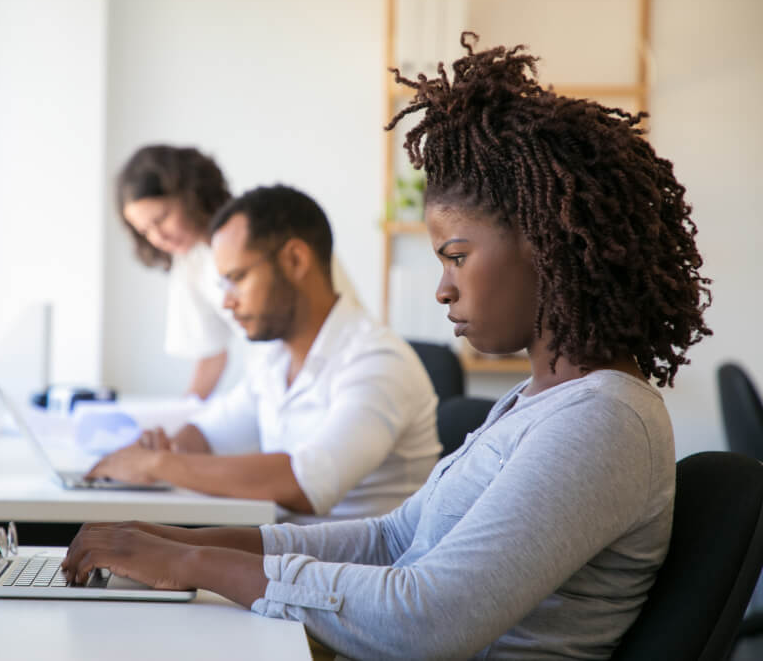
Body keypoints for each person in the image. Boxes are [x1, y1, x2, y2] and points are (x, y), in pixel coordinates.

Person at [62, 33, 713, 660]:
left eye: (456, 257)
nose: (442, 289)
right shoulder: (538, 400)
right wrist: (172, 540)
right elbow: (393, 537)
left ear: (548, 245)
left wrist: (194, 562)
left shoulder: (603, 420)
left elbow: (429, 618)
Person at [89, 185, 442, 523]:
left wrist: (156, 465)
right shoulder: (273, 359)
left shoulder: (379, 361)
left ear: (295, 259)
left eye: (238, 277)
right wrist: (163, 448)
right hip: (293, 564)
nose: (227, 302)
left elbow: (306, 484)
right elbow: (209, 432)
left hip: (358, 577)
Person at [116, 145, 356, 399]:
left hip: (331, 373)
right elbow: (210, 353)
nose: (157, 237)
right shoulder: (190, 263)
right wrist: (185, 415)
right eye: (144, 231)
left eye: (161, 218)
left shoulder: (266, 231)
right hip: (275, 386)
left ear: (189, 196)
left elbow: (332, 316)